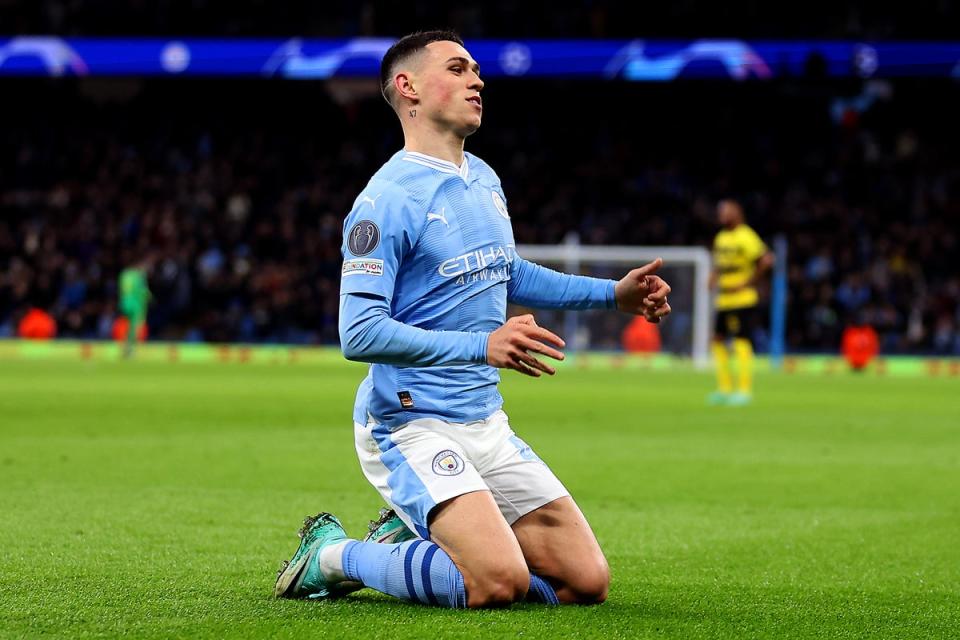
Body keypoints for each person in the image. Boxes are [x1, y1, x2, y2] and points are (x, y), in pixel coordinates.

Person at [274, 30, 672, 609]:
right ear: (407, 87)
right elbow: (357, 333)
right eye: (458, 69)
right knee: (495, 584)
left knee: (585, 583)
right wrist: (479, 346)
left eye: (477, 71)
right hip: (410, 423)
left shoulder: (482, 178)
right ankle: (332, 556)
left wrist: (614, 294)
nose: (477, 81)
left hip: (485, 421)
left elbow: (508, 275)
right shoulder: (385, 200)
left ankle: (423, 539)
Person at [708, 199, 774, 405]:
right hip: (724, 299)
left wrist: (748, 283)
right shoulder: (721, 237)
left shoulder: (746, 235)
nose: (721, 214)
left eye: (725, 211)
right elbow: (720, 264)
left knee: (740, 341)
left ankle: (744, 390)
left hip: (742, 299)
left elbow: (766, 260)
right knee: (717, 340)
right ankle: (725, 388)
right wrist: (712, 277)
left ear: (737, 213)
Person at [118, 256, 152, 358]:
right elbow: (143, 291)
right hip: (136, 304)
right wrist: (150, 297)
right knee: (134, 327)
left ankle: (126, 348)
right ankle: (129, 349)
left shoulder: (124, 274)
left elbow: (122, 290)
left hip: (125, 303)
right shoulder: (139, 275)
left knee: (129, 327)